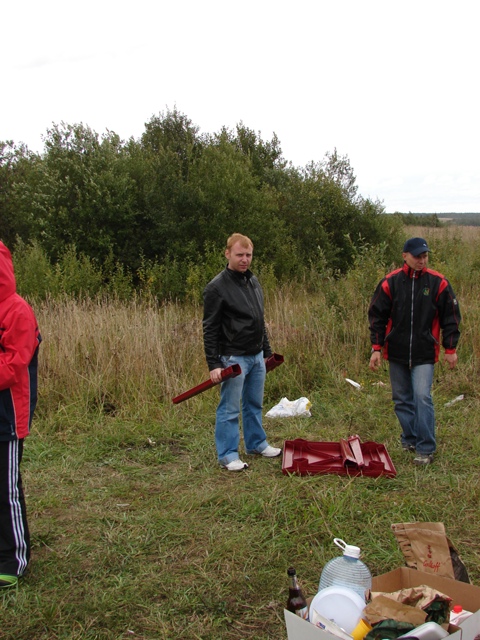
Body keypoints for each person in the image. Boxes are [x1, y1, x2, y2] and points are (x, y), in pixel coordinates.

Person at [368, 237, 461, 466]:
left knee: (422, 396)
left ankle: (426, 448)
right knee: (401, 399)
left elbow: (451, 317)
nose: (422, 260)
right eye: (417, 256)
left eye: (425, 256)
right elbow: (377, 316)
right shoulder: (390, 282)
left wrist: (450, 348)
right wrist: (376, 348)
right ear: (405, 256)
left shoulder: (438, 282)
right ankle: (409, 438)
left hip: (424, 352)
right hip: (396, 350)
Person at [203, 233, 281, 471]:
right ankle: (228, 455)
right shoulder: (216, 288)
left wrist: (266, 352)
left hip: (256, 356)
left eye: (248, 255)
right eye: (239, 255)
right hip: (233, 358)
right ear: (227, 254)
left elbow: (259, 319)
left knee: (254, 403)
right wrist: (214, 364)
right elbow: (210, 328)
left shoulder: (253, 281)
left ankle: (256, 444)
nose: (245, 259)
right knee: (230, 408)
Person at [0, 241, 41, 588]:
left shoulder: (17, 311)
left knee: (5, 488)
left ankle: (13, 560)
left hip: (7, 416)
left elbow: (14, 365)